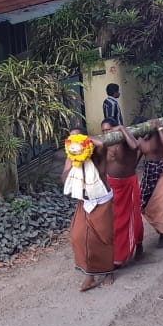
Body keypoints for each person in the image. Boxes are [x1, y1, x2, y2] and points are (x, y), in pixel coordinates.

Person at [62, 124, 115, 291]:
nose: (74, 143)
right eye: (71, 140)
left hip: (102, 201)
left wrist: (86, 141)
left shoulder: (97, 153)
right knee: (78, 236)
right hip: (84, 202)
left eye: (77, 138)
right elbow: (64, 178)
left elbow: (103, 145)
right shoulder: (71, 156)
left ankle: (108, 272)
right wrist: (73, 163)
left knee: (103, 238)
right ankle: (90, 276)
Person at [101, 119, 145, 266]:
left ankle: (138, 244)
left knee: (134, 218)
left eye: (109, 129)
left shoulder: (124, 140)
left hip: (128, 184)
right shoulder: (104, 143)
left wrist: (121, 129)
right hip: (112, 186)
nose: (107, 133)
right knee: (116, 221)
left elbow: (135, 145)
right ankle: (117, 254)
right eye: (104, 131)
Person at [139, 121, 163, 246]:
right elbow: (137, 157)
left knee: (162, 205)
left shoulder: (162, 133)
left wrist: (159, 128)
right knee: (143, 205)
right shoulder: (141, 140)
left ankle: (162, 234)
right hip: (149, 174)